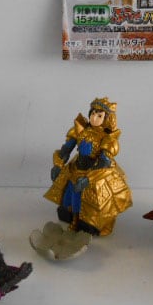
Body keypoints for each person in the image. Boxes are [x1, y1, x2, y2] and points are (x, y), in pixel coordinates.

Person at [44, 97, 132, 236]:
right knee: (68, 198)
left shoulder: (107, 138)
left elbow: (104, 163)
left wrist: (89, 179)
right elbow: (65, 150)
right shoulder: (80, 130)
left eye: (99, 115)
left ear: (107, 119)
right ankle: (71, 217)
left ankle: (86, 223)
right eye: (93, 113)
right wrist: (57, 165)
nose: (94, 118)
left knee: (93, 208)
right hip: (75, 170)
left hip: (96, 174)